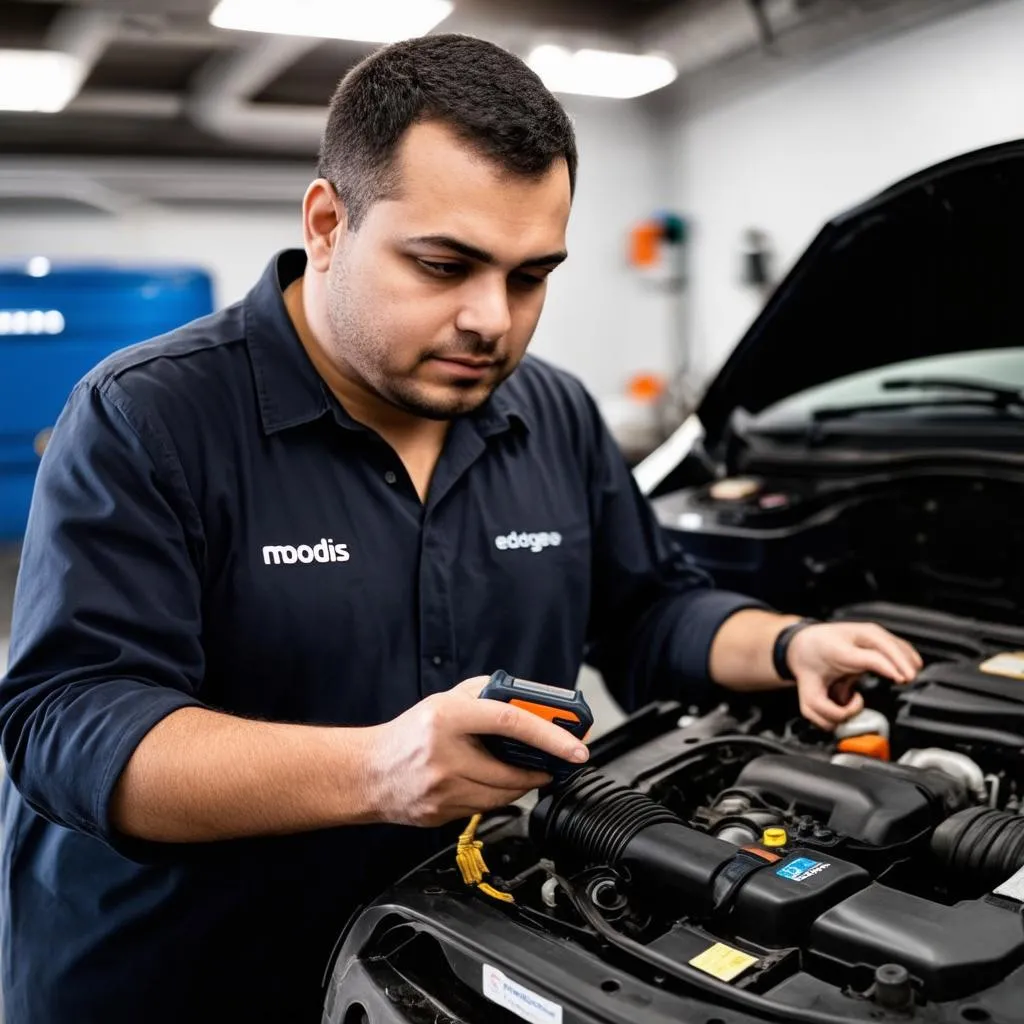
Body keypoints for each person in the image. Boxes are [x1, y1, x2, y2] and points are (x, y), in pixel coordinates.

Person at [0, 33, 921, 1024]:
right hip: (179, 976)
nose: (493, 320)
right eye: (444, 264)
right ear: (326, 223)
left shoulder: (552, 414)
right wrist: (379, 768)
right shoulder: (149, 416)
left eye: (531, 276)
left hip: (439, 959)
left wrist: (785, 645)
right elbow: (67, 724)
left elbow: (647, 608)